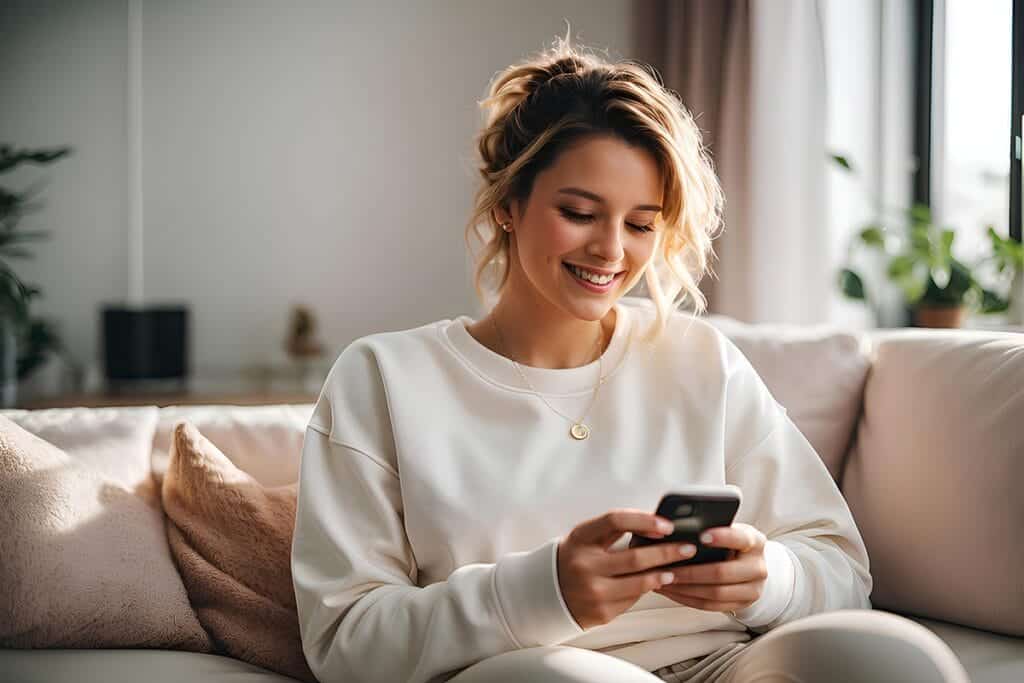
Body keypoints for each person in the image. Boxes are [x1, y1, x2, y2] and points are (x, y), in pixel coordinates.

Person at [290, 32, 970, 683]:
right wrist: (538, 591)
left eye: (642, 223)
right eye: (581, 212)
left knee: (895, 658)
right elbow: (343, 641)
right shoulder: (383, 378)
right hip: (527, 669)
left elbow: (842, 565)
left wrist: (769, 579)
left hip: (721, 661)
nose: (613, 251)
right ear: (508, 203)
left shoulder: (699, 357)